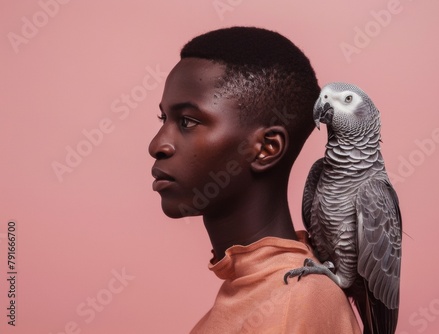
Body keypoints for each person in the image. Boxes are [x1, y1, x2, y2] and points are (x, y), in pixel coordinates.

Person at [149, 26, 361, 333]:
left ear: (266, 148)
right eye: (163, 119)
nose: (157, 145)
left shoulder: (298, 299)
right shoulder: (253, 293)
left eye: (187, 122)